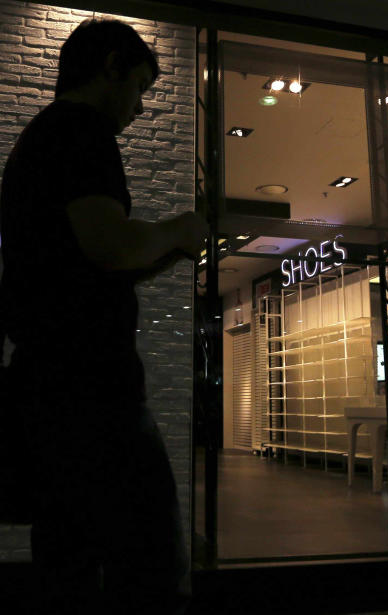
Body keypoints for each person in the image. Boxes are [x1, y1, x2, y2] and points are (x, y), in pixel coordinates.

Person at [0, 18, 206, 614]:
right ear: (112, 66)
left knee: (68, 561)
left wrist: (162, 252)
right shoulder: (81, 130)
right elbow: (111, 246)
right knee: (151, 563)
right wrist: (180, 227)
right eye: (140, 87)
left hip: (49, 387)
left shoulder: (39, 140)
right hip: (93, 393)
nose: (140, 108)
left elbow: (92, 266)